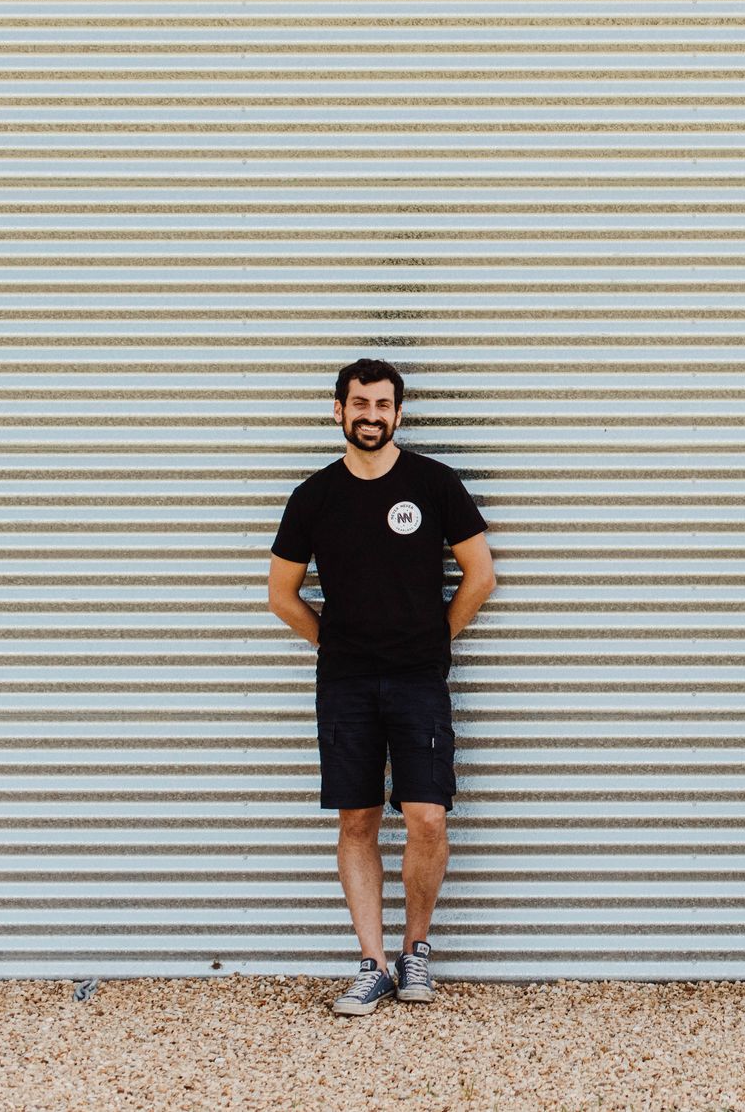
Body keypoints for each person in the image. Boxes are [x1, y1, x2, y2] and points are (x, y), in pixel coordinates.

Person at [267, 358, 496, 1016]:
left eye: (383, 404)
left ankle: (414, 950)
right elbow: (281, 595)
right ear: (337, 410)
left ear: (399, 412)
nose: (371, 415)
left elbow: (480, 574)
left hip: (418, 679)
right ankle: (371, 962)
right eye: (359, 403)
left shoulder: (433, 483)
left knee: (426, 815)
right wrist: (332, 642)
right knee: (358, 817)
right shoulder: (314, 496)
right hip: (344, 682)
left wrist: (433, 640)